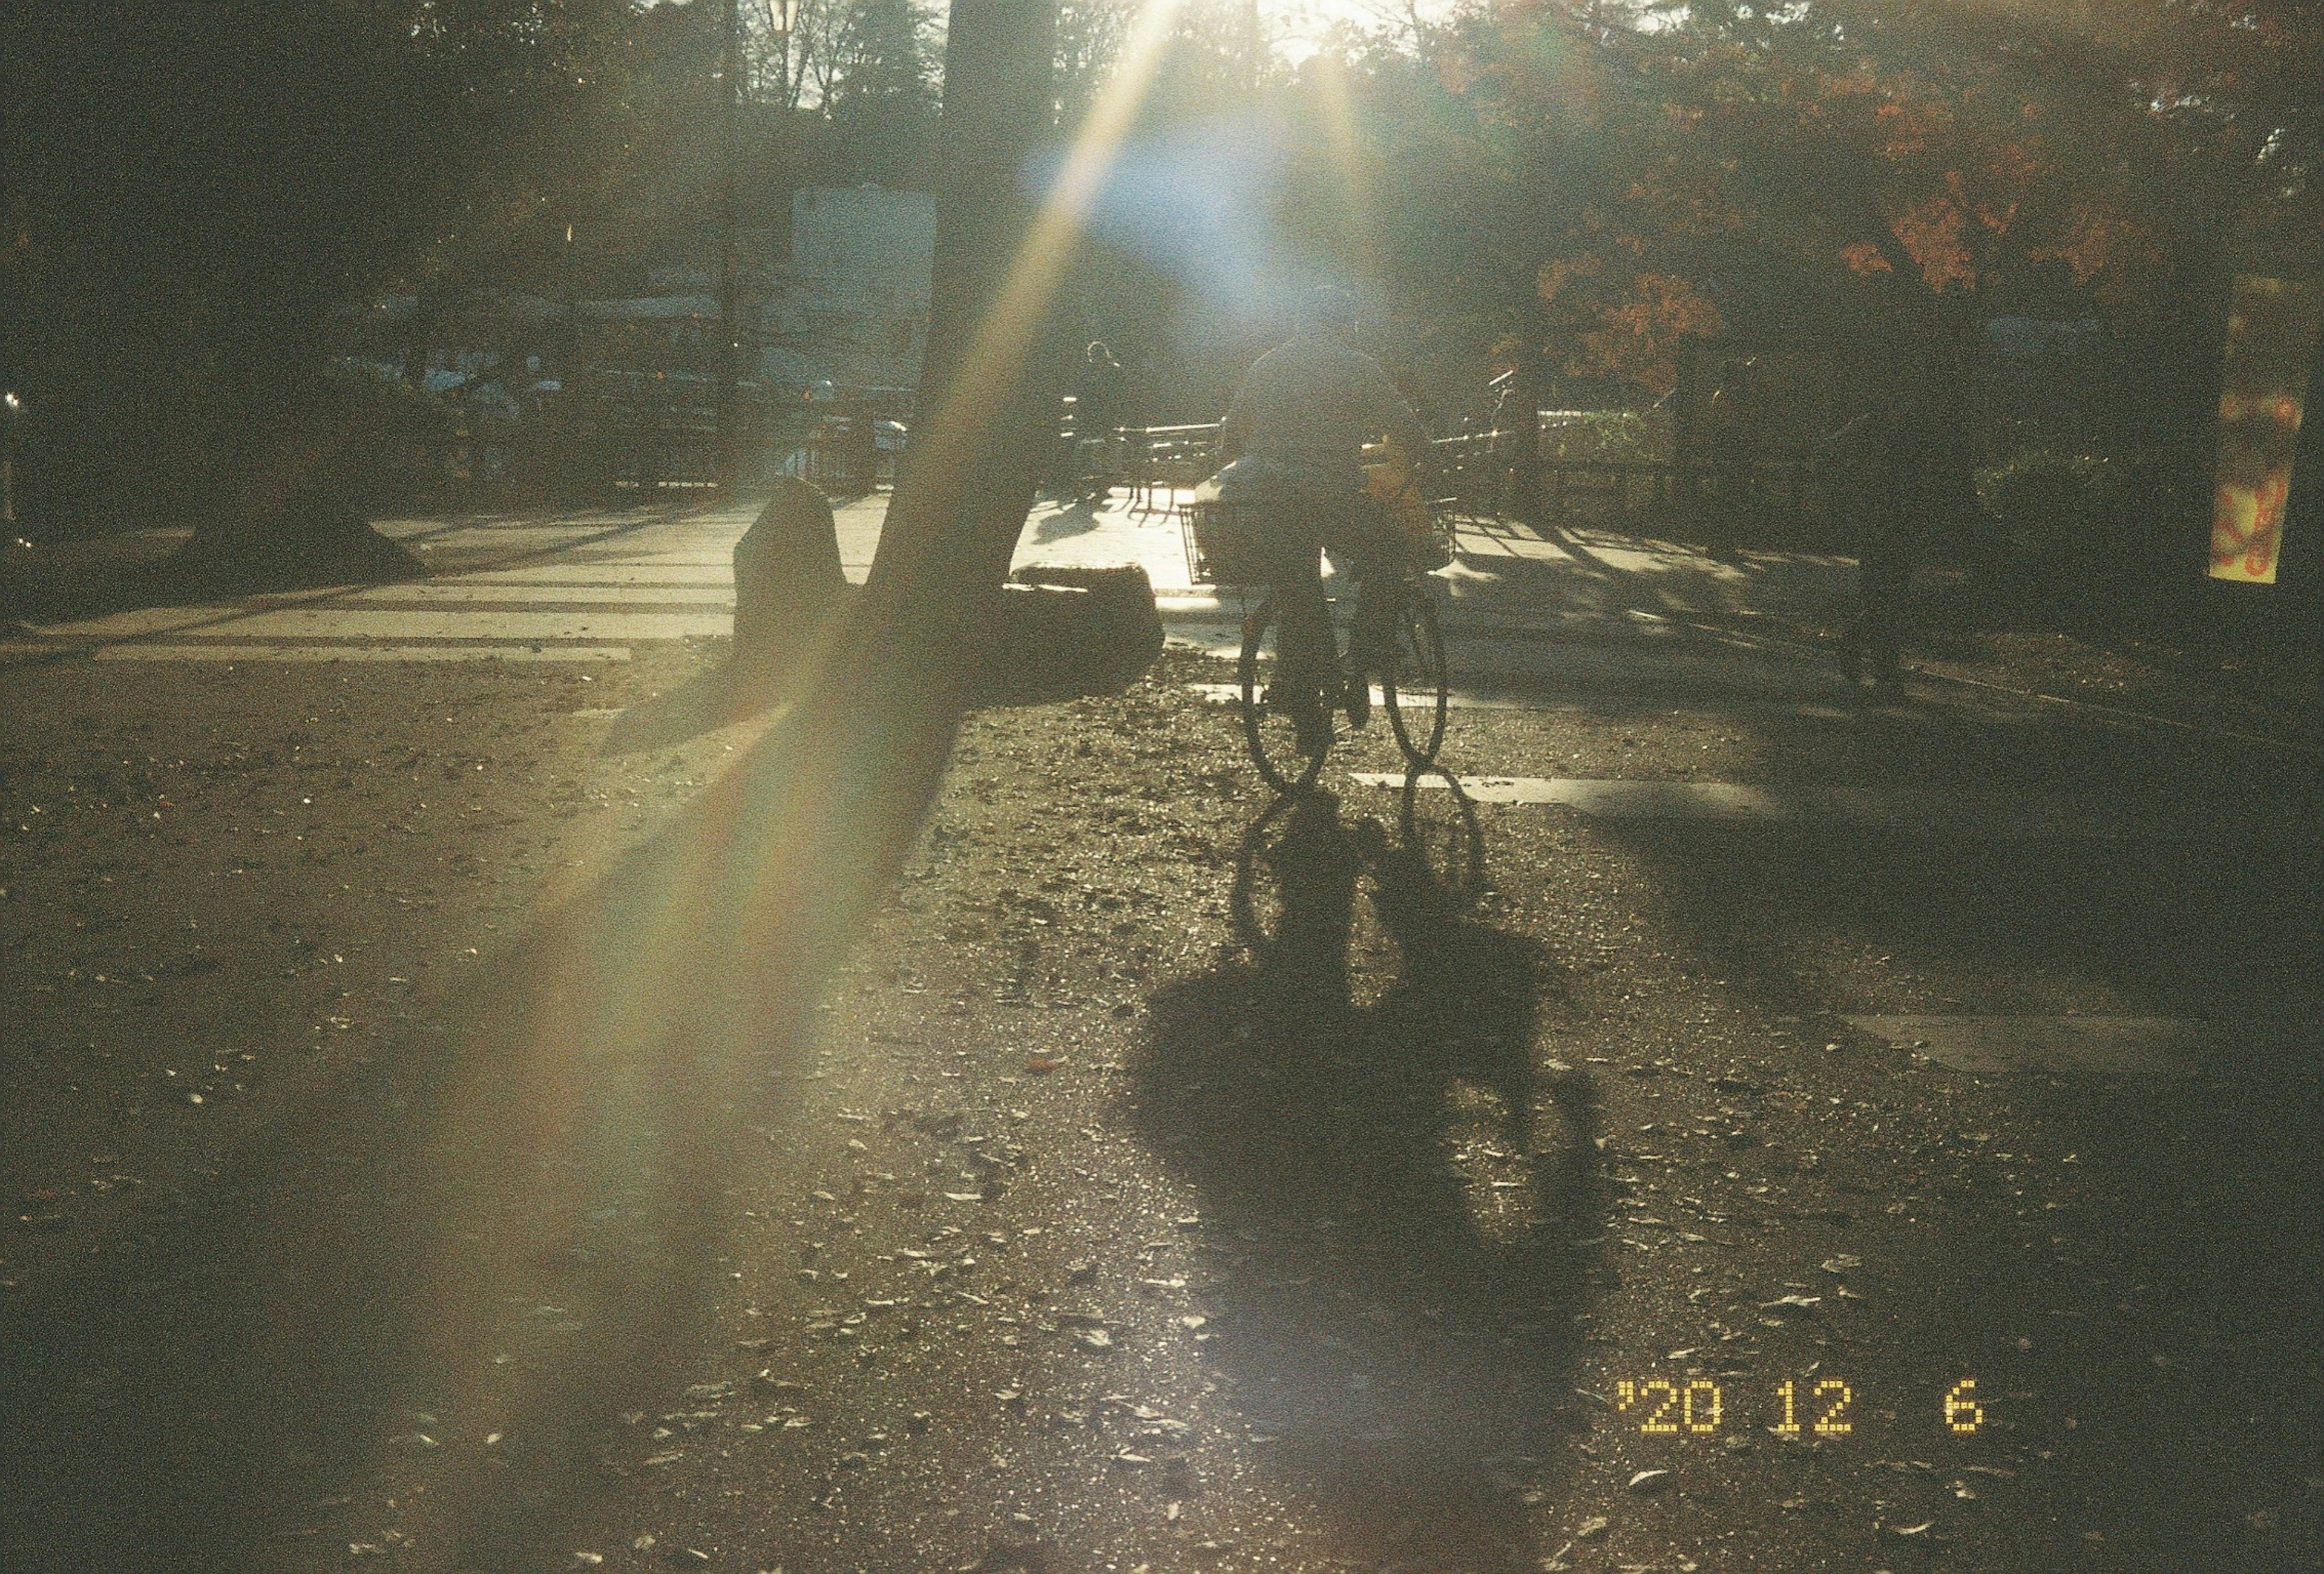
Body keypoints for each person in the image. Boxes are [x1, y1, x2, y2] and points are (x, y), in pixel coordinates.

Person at [1219, 287, 1429, 755]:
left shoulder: (1268, 364)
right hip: (1328, 495)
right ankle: (1364, 655)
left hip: (1265, 500)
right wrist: (1425, 457)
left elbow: (1230, 437)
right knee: (1390, 551)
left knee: (1297, 585)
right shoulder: (1357, 367)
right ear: (1345, 325)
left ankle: (1302, 703)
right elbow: (1405, 426)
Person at [1073, 342, 1125, 503]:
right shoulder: (1110, 370)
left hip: (1099, 417)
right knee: (1099, 452)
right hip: (1098, 417)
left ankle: (1098, 486)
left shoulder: (1106, 371)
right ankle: (1099, 486)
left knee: (1096, 452)